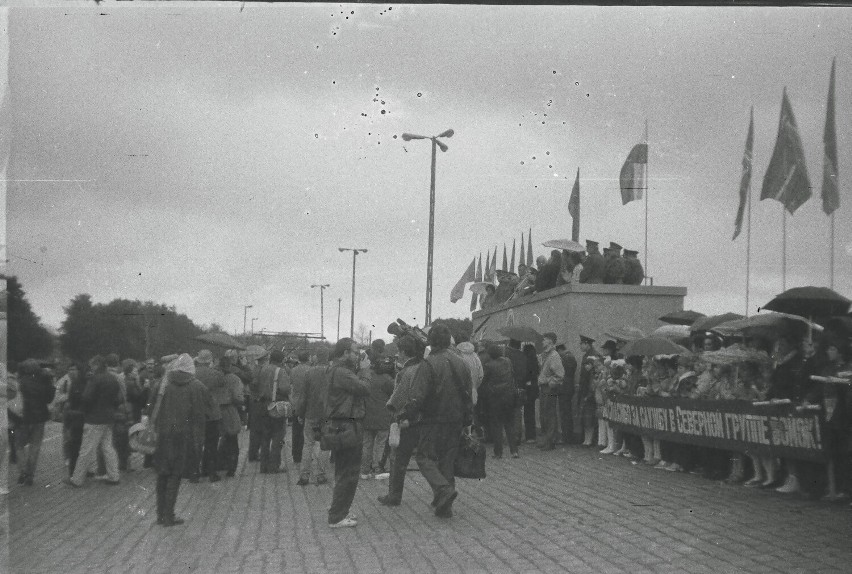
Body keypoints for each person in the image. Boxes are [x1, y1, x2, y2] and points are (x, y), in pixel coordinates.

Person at [404, 324, 472, 518]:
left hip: (433, 419)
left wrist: (407, 415)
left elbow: (417, 396)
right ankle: (444, 506)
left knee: (424, 458)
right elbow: (468, 391)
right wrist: (468, 418)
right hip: (456, 419)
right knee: (447, 461)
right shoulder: (461, 362)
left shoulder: (428, 364)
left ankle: (443, 490)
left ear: (430, 341)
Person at [148, 353, 207, 527]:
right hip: (182, 436)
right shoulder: (195, 386)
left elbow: (150, 408)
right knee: (175, 474)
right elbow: (199, 415)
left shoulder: (162, 383)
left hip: (163, 435)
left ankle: (160, 514)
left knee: (162, 474)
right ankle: (169, 515)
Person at [325, 338, 371, 528]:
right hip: (348, 425)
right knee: (349, 472)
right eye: (354, 351)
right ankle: (337, 516)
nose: (357, 355)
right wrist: (366, 370)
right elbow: (365, 388)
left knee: (343, 470)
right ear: (345, 353)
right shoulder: (343, 372)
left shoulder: (335, 369)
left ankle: (339, 509)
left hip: (340, 425)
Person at [379, 334, 424, 506]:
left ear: (404, 352)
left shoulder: (406, 371)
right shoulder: (422, 367)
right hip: (422, 418)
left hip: (405, 418)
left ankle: (394, 495)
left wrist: (393, 411)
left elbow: (398, 398)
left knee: (398, 459)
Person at [65, 355, 121, 487]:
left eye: (92, 365)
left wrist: (83, 410)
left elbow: (86, 398)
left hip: (94, 418)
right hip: (109, 417)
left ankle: (77, 479)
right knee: (108, 447)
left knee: (86, 449)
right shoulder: (113, 378)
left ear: (96, 365)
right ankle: (114, 476)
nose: (91, 368)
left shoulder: (95, 379)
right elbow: (118, 399)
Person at [12, 359, 55, 486]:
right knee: (35, 446)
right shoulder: (44, 381)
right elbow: (49, 399)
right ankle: (30, 474)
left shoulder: (19, 382)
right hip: (39, 418)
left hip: (22, 418)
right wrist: (50, 383)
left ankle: (23, 472)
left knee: (19, 446)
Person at [295, 346, 331, 486]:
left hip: (311, 413)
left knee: (308, 443)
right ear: (328, 358)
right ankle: (321, 475)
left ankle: (304, 475)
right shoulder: (333, 372)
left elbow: (303, 396)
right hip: (328, 414)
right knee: (325, 445)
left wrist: (300, 413)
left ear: (316, 357)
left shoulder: (309, 373)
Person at [254, 350, 291, 474]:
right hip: (275, 406)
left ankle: (263, 466)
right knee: (277, 436)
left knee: (265, 437)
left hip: (262, 405)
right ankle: (274, 465)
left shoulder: (262, 369)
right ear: (281, 360)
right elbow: (285, 389)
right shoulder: (280, 371)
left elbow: (254, 385)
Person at [481, 344, 518, 459]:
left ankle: (498, 452)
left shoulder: (488, 365)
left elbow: (484, 381)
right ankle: (514, 451)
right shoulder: (508, 361)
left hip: (495, 398)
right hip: (509, 396)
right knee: (509, 424)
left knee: (496, 425)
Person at [361, 356, 395, 479]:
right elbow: (394, 394)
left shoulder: (368, 377)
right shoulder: (388, 379)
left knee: (367, 444)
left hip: (367, 416)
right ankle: (377, 468)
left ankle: (364, 470)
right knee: (380, 444)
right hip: (383, 416)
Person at [194, 349, 225, 482]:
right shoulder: (216, 374)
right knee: (211, 444)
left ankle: (194, 473)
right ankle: (212, 472)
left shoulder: (191, 373)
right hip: (212, 413)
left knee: (196, 444)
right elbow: (222, 384)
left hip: (196, 413)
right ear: (210, 361)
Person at [217, 356, 244, 478]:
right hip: (229, 410)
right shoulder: (234, 379)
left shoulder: (214, 377)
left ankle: (218, 464)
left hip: (214, 411)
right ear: (230, 366)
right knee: (232, 439)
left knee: (218, 439)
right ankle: (231, 468)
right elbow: (238, 397)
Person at [537, 332, 564, 451]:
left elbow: (559, 375)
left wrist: (549, 382)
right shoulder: (546, 355)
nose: (542, 341)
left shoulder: (554, 356)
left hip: (549, 388)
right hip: (544, 387)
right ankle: (546, 440)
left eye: (544, 339)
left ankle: (550, 441)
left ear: (550, 341)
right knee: (544, 415)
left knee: (549, 415)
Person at [61, 363, 87, 477]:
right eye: (70, 369)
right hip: (73, 415)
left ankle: (74, 471)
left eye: (74, 369)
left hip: (76, 416)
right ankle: (71, 462)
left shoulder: (80, 383)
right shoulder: (64, 381)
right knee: (71, 440)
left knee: (76, 443)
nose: (72, 371)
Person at [289, 351, 312, 476]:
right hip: (306, 403)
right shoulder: (310, 370)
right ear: (308, 358)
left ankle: (295, 454)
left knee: (295, 430)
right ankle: (304, 455)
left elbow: (291, 385)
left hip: (295, 402)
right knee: (306, 431)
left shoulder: (293, 370)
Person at [504, 339, 527, 445]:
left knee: (508, 412)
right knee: (518, 412)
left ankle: (510, 436)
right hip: (521, 386)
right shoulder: (523, 356)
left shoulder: (506, 354)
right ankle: (517, 436)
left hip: (509, 386)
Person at [555, 343, 578, 445]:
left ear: (560, 350)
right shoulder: (570, 357)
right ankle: (568, 436)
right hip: (567, 388)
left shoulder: (566, 358)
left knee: (565, 413)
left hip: (564, 388)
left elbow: (561, 372)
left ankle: (566, 437)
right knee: (566, 412)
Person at [577, 335, 598, 447]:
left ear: (586, 343)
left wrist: (589, 392)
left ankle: (589, 439)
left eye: (581, 344)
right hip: (584, 389)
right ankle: (586, 439)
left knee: (589, 416)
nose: (580, 346)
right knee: (585, 416)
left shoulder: (593, 356)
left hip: (589, 390)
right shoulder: (587, 355)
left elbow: (592, 376)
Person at [521, 344, 540, 442]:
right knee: (531, 411)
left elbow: (526, 375)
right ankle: (531, 435)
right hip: (534, 388)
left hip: (528, 388)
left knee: (527, 413)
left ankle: (529, 436)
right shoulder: (535, 360)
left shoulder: (526, 361)